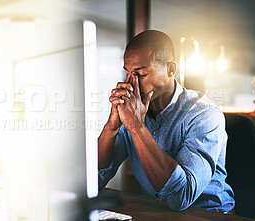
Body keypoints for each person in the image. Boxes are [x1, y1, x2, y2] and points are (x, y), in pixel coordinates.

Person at [97, 30, 235, 213]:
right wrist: (111, 128)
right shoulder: (132, 111)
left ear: (170, 69)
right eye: (127, 73)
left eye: (141, 74)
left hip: (208, 215)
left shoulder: (205, 115)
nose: (131, 83)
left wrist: (136, 127)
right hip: (157, 213)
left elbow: (180, 197)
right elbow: (94, 180)